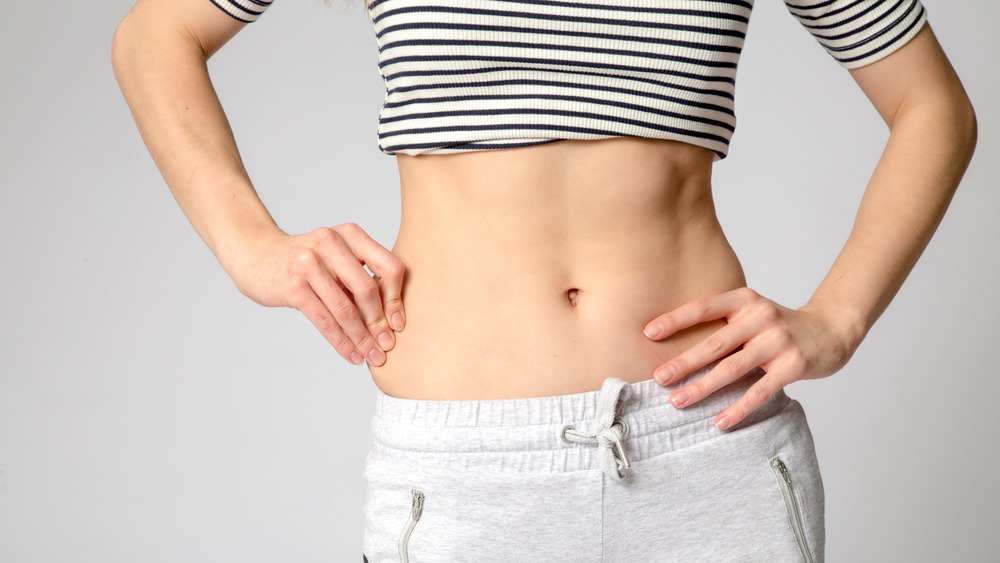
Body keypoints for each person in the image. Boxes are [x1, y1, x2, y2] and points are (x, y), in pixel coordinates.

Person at [112, 0, 976, 560]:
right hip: (465, 472)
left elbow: (932, 104)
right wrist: (249, 246)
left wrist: (839, 317)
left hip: (707, 452)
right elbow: (156, 33)